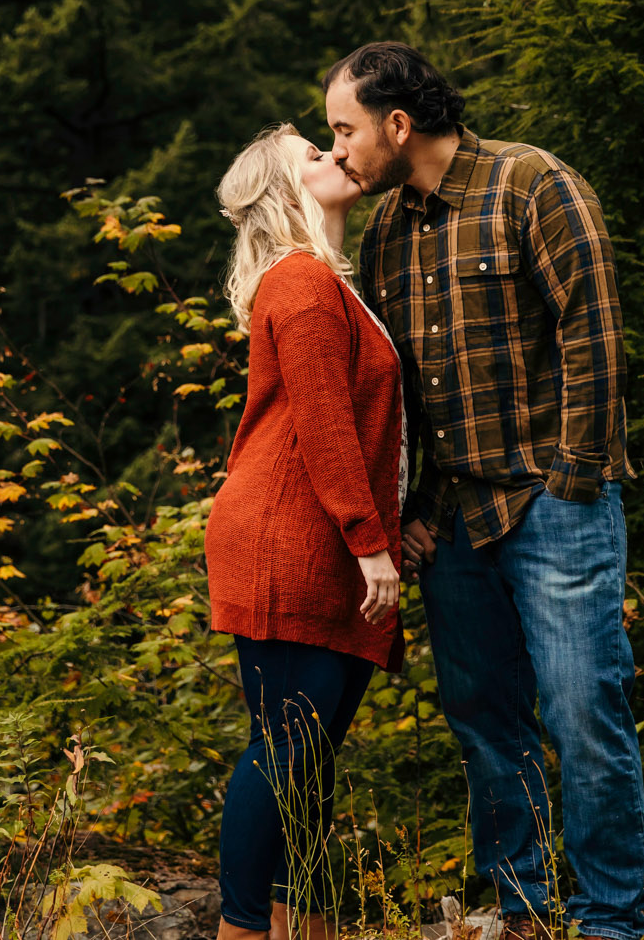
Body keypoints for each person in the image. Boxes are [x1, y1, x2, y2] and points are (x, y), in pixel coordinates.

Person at [324, 43, 644, 940]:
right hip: (455, 523)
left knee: (585, 715)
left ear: (398, 123)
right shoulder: (388, 230)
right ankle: (524, 914)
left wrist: (574, 483)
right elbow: (404, 397)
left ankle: (612, 923)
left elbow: (596, 334)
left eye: (345, 129)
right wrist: (413, 512)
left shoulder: (532, 184)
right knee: (485, 728)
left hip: (555, 506)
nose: (340, 150)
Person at [205, 123, 408, 940]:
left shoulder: (325, 282)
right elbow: (325, 426)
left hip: (314, 535)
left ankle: (305, 928)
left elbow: (363, 426)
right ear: (288, 192)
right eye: (314, 156)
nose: (335, 157)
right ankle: (242, 928)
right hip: (291, 537)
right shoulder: (301, 284)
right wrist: (371, 542)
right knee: (286, 748)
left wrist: (392, 527)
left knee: (307, 760)